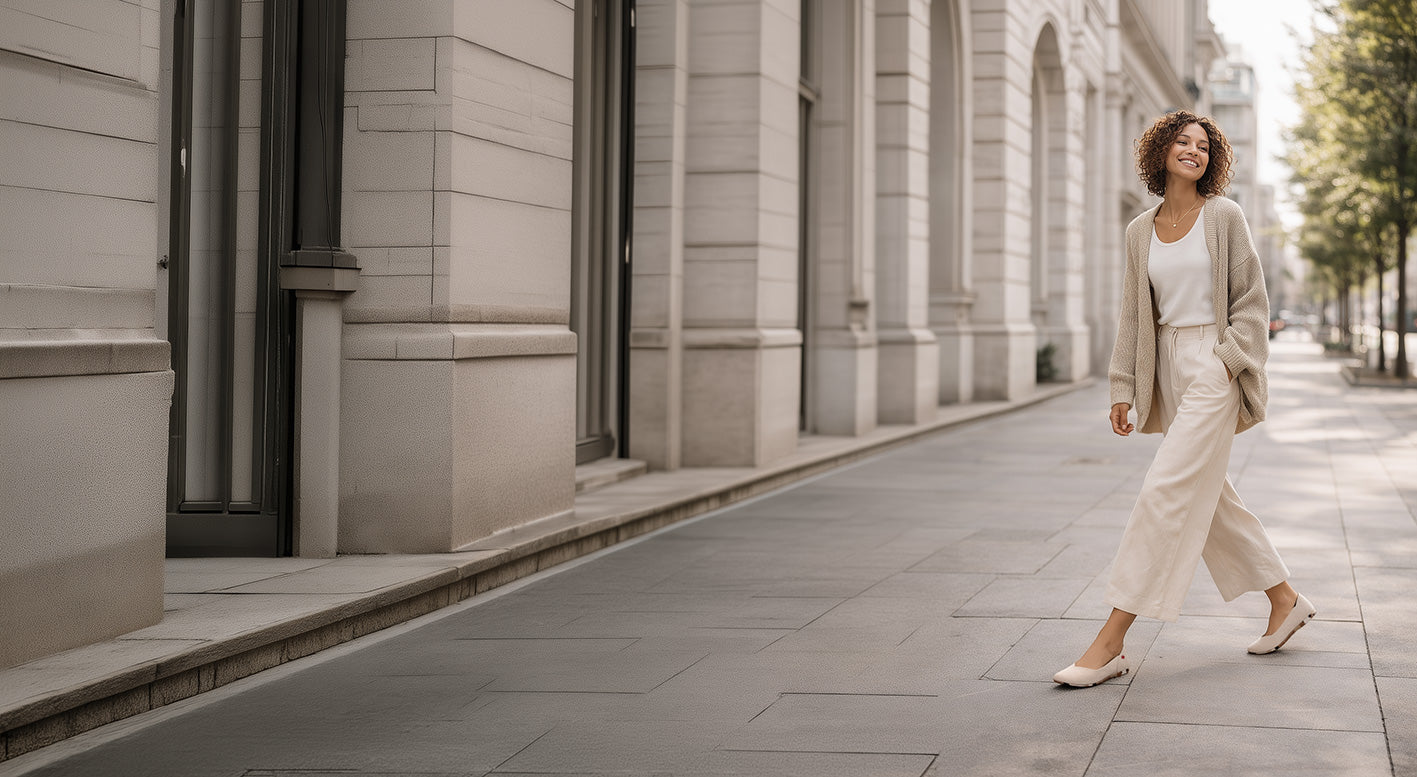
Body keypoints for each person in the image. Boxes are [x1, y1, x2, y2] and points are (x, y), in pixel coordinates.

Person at [1052, 111, 1315, 688]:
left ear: (1211, 160)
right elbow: (1133, 315)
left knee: (1166, 488)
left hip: (1215, 362)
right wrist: (1123, 385)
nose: (1193, 151)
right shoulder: (1139, 230)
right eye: (1182, 141)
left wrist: (1228, 360)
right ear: (1161, 151)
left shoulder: (1224, 216)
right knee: (1209, 495)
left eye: (1203, 146)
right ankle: (1285, 599)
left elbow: (1252, 300)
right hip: (1167, 366)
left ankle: (1111, 640)